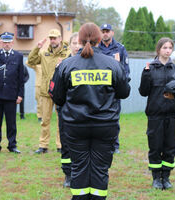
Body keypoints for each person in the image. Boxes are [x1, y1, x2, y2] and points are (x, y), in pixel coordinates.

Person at [49, 23, 130, 199]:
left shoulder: (66, 65)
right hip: (105, 126)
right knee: (100, 169)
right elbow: (124, 92)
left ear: (79, 40)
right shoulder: (112, 64)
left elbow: (57, 97)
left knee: (78, 168)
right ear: (99, 39)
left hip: (75, 126)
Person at [139, 37, 175, 190]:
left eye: (170, 47)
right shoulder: (150, 68)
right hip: (155, 115)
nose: (167, 50)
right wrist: (145, 75)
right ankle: (156, 178)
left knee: (170, 147)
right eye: (164, 47)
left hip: (172, 116)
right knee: (156, 147)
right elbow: (143, 92)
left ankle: (166, 177)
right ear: (158, 50)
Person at [28, 29, 70, 154]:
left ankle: (61, 145)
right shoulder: (44, 52)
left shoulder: (67, 53)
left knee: (61, 120)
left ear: (60, 38)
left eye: (55, 38)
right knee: (45, 120)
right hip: (46, 92)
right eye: (51, 38)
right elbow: (31, 61)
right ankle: (43, 145)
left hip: (61, 92)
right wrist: (37, 48)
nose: (52, 40)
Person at [98, 23, 130, 154]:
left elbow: (125, 71)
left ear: (112, 33)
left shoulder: (120, 49)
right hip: (99, 91)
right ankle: (100, 143)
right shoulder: (96, 48)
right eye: (103, 31)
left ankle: (114, 145)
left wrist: (121, 87)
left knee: (114, 118)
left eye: (107, 31)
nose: (105, 33)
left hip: (114, 91)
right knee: (98, 117)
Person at [55, 32, 81, 188]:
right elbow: (55, 91)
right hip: (66, 112)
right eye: (74, 43)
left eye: (80, 43)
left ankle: (81, 174)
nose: (77, 46)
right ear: (69, 45)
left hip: (83, 113)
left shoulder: (88, 65)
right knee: (66, 145)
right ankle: (68, 175)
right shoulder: (63, 64)